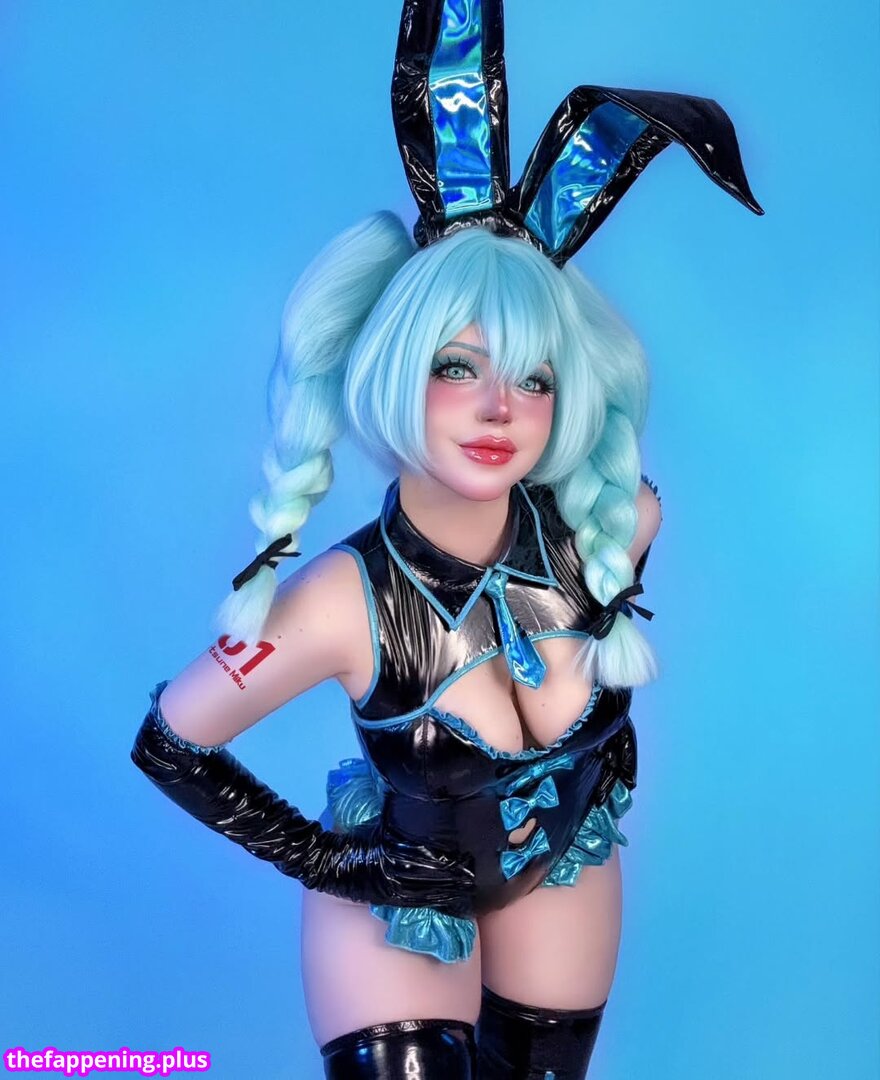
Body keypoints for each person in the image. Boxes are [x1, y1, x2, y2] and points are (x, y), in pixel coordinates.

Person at [131, 2, 762, 1076]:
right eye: (456, 367)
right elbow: (171, 743)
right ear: (393, 368)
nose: (497, 408)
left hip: (566, 878)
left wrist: (600, 758)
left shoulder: (617, 525)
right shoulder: (343, 601)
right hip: (401, 915)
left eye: (533, 377)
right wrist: (341, 864)